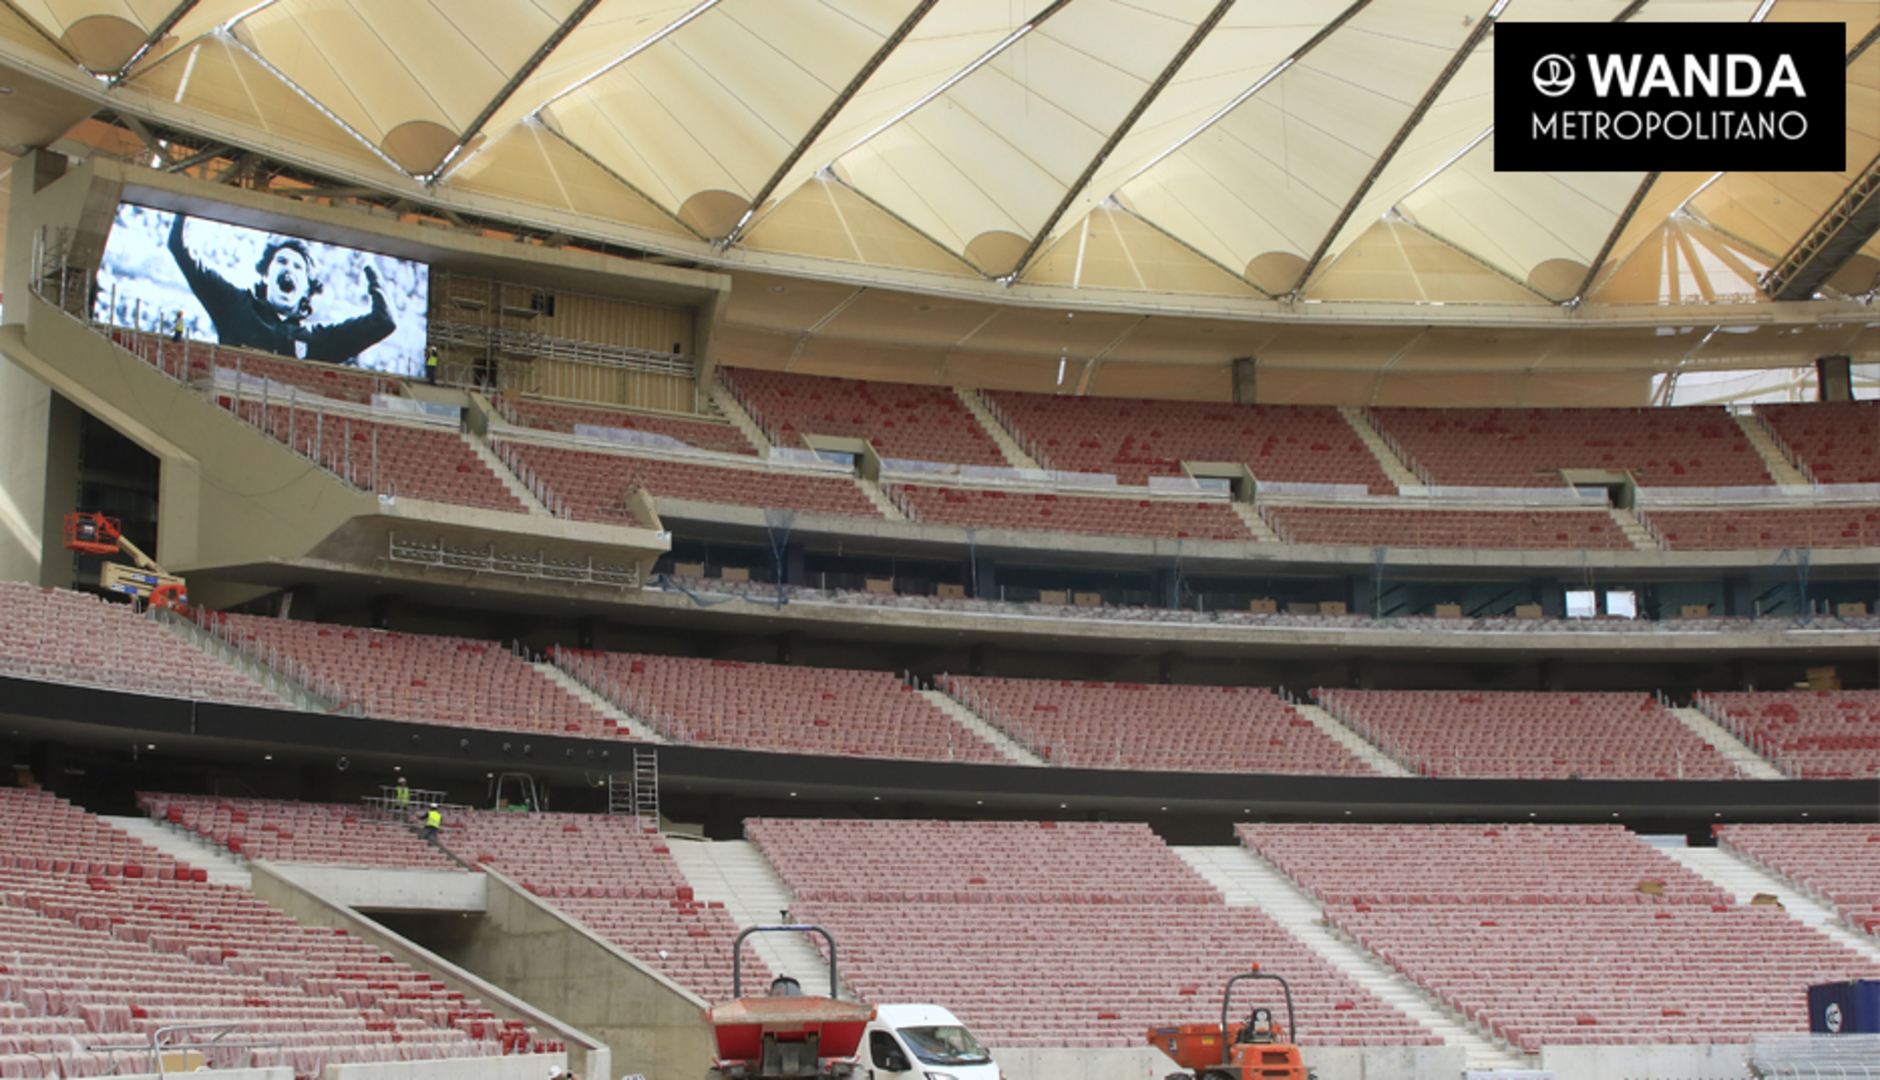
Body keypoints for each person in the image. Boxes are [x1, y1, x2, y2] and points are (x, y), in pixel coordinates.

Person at [167, 213, 395, 365]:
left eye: (298, 267)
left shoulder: (317, 340)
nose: (289, 269)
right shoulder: (235, 305)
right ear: (267, 274)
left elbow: (384, 321)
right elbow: (179, 247)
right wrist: (187, 205)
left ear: (307, 290)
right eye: (282, 262)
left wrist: (370, 267)